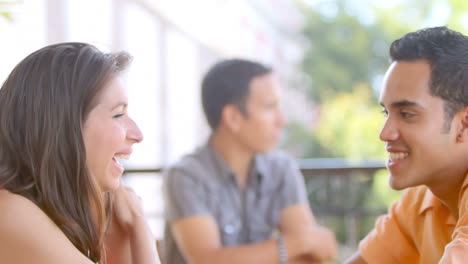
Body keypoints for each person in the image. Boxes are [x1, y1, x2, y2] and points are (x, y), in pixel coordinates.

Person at [163, 59, 337, 264]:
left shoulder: (281, 168)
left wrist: (299, 245)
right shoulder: (186, 175)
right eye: (270, 107)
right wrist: (295, 243)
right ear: (233, 117)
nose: (282, 120)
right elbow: (207, 261)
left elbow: (314, 255)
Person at [0, 43, 159, 263]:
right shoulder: (11, 213)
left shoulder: (51, 211)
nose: (137, 134)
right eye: (117, 115)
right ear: (61, 127)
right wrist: (139, 224)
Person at [346, 26, 468, 264]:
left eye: (407, 114)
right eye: (386, 112)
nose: (384, 133)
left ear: (463, 125)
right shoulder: (422, 198)